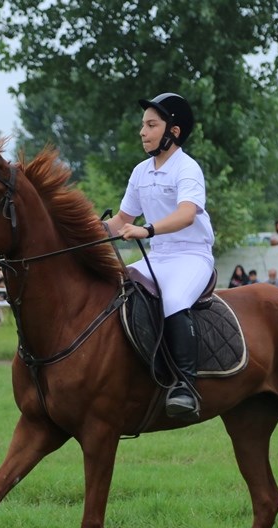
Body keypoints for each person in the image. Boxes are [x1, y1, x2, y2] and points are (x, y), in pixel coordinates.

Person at [106, 92, 213, 419]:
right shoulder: (140, 172)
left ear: (173, 132)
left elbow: (186, 215)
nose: (143, 131)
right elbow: (121, 221)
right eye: (143, 125)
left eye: (151, 125)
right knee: (115, 292)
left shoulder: (187, 168)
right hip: (159, 257)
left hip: (192, 256)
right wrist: (82, 233)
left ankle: (185, 384)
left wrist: (147, 230)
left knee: (174, 298)